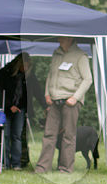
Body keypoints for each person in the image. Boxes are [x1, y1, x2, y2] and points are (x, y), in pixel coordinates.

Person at [35, 37, 92, 174]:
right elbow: (51, 75)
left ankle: (65, 169)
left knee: (69, 135)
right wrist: (47, 93)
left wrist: (75, 97)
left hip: (70, 101)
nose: (59, 39)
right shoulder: (56, 53)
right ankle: (42, 168)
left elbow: (88, 79)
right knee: (49, 134)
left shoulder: (80, 56)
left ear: (70, 38)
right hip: (54, 100)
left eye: (62, 37)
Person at [0, 52, 45, 170]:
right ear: (19, 64)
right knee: (5, 135)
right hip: (5, 109)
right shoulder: (4, 73)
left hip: (20, 109)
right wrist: (9, 105)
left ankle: (16, 163)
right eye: (25, 65)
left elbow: (37, 92)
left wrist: (45, 105)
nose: (26, 68)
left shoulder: (29, 75)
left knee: (16, 136)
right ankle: (5, 163)